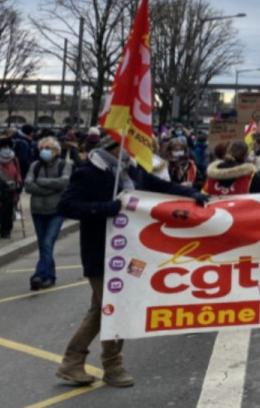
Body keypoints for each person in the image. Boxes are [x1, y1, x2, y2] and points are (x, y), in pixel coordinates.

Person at [56, 135, 207, 386]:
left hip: (126, 253)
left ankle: (71, 363)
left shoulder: (132, 170)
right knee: (117, 310)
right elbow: (67, 206)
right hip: (100, 253)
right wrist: (108, 208)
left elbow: (160, 187)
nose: (140, 150)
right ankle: (113, 367)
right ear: (116, 146)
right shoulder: (89, 172)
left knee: (100, 311)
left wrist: (191, 193)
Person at [23, 137, 73, 291]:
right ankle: (50, 276)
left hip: (56, 211)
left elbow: (64, 182)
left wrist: (41, 182)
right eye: (42, 148)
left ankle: (38, 275)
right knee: (43, 245)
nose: (44, 151)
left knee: (47, 243)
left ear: (57, 151)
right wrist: (52, 188)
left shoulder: (65, 165)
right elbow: (28, 185)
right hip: (38, 210)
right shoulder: (35, 165)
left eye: (48, 148)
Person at [0, 137, 22, 240]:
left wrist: (18, 181)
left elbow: (18, 172)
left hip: (10, 188)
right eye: (3, 147)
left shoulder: (14, 159)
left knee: (8, 211)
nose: (6, 149)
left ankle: (6, 231)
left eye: (8, 147)